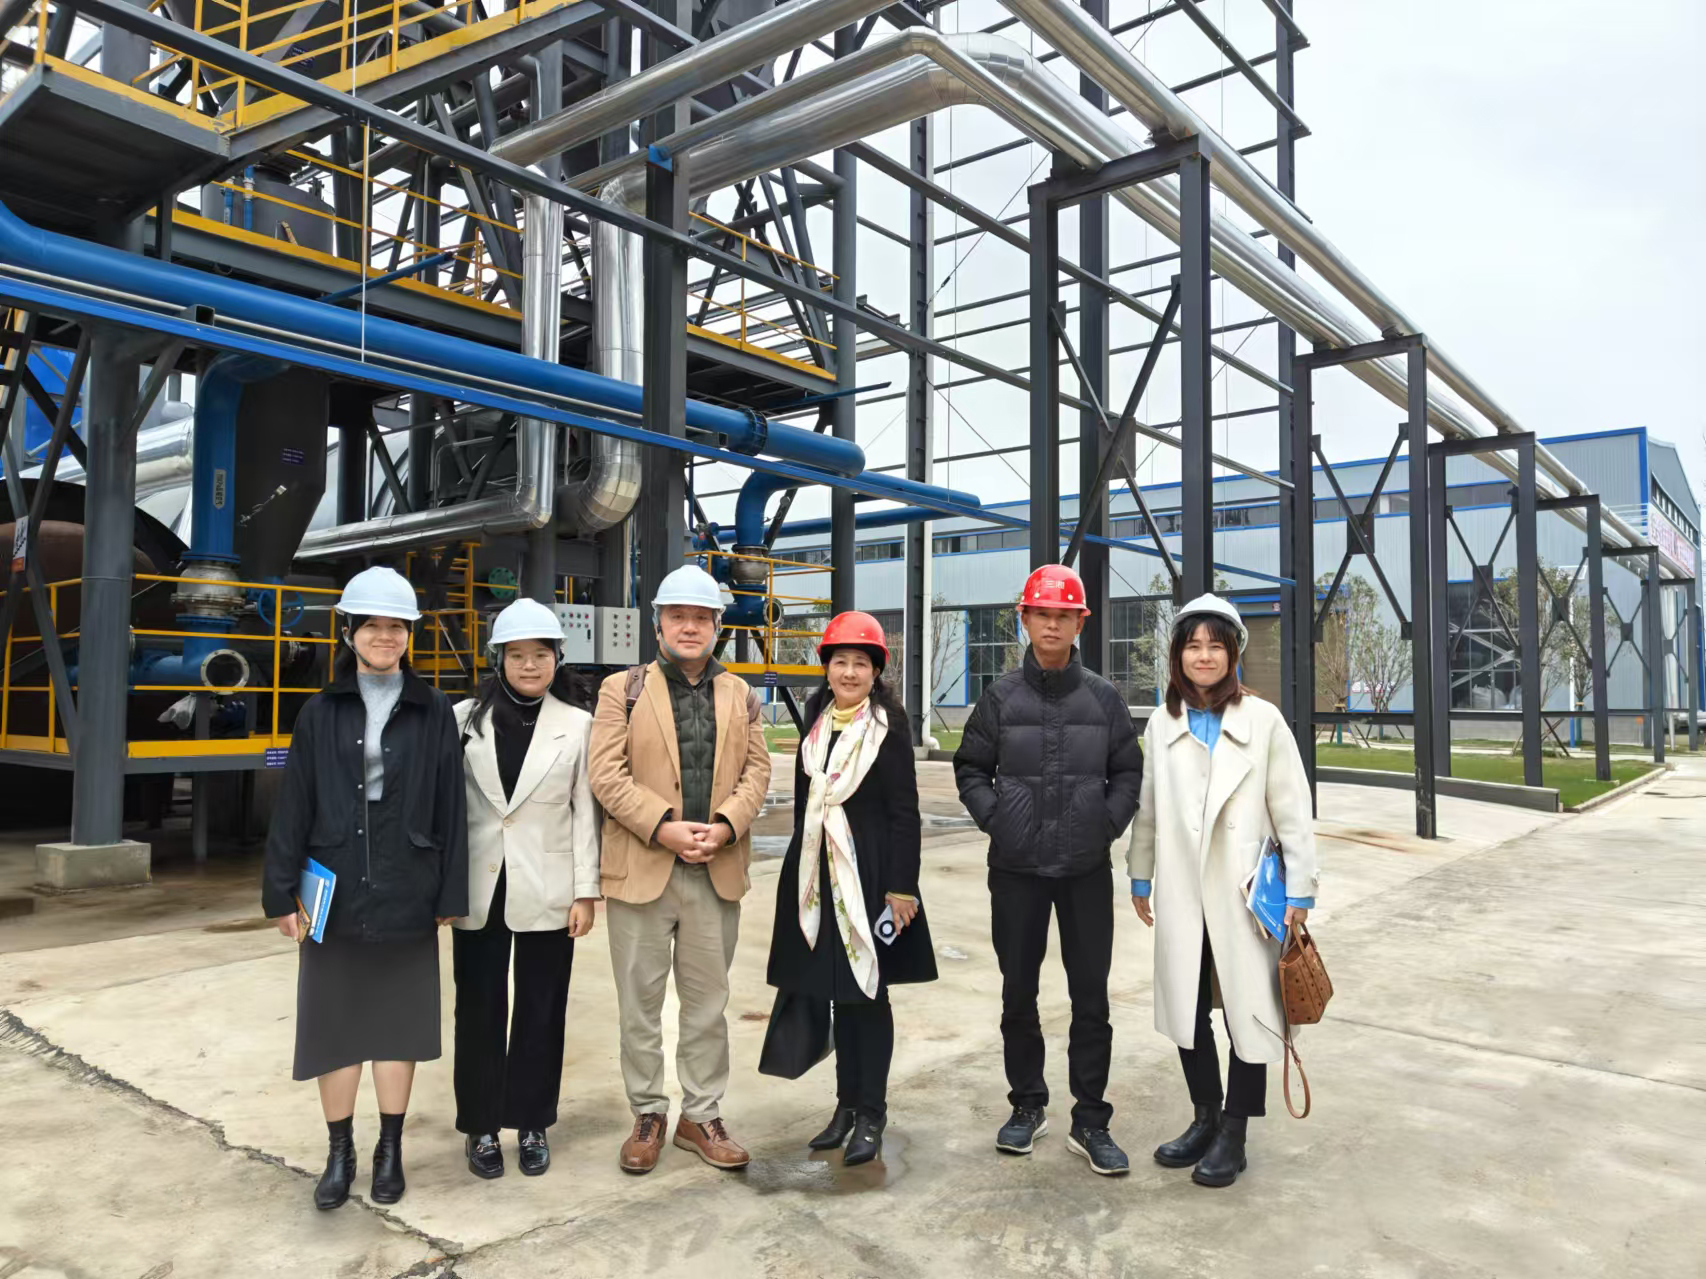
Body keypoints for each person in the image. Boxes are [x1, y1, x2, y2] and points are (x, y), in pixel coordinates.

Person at [263, 565, 467, 1210]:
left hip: (409, 884)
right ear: (348, 632)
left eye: (397, 626)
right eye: (372, 625)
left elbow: (451, 805)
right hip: (335, 887)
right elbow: (294, 802)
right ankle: (339, 1151)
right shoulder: (320, 711)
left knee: (398, 1027)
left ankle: (390, 1149)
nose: (385, 636)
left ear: (410, 634)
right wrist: (280, 893)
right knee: (336, 1026)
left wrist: (449, 894)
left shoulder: (434, 710)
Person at [954, 564, 1143, 1177]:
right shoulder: (1000, 697)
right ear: (1026, 619)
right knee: (1019, 992)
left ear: (1080, 623)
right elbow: (970, 767)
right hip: (1017, 868)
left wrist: (1104, 825)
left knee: (1091, 998)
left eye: (1064, 615)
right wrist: (999, 821)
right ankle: (1027, 1104)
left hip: (1085, 869)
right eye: (1042, 614)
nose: (1053, 624)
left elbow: (1129, 772)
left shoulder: (1104, 699)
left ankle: (1091, 1119)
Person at [1126, 594, 1320, 1188]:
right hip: (1183, 891)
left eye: (1215, 645)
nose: (1203, 656)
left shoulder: (1263, 721)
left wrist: (1300, 891)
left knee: (1247, 1012)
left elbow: (1293, 810)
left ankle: (1235, 1132)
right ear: (1177, 655)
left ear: (1234, 653)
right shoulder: (1163, 723)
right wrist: (1140, 872)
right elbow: (1148, 808)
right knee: (1187, 1008)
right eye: (1192, 645)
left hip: (1243, 897)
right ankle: (1205, 1117)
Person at [588, 563, 772, 1174]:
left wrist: (726, 825)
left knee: (707, 1003)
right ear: (658, 623)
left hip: (715, 869)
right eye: (678, 617)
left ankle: (701, 1115)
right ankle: (648, 1113)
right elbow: (605, 773)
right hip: (643, 867)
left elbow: (758, 771)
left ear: (718, 626)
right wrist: (662, 825)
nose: (689, 627)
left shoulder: (741, 694)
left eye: (700, 618)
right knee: (639, 1005)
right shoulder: (621, 690)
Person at [766, 612, 937, 1165]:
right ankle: (844, 1108)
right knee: (835, 993)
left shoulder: (889, 727)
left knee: (868, 993)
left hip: (870, 877)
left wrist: (902, 887)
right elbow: (804, 806)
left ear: (876, 671)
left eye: (860, 663)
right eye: (840, 661)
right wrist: (798, 877)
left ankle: (871, 1114)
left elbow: (904, 811)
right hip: (818, 876)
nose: (849, 672)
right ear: (826, 667)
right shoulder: (816, 721)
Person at [452, 598, 600, 1181]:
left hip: (550, 885)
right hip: (478, 886)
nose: (530, 665)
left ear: (557, 658)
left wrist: (585, 892)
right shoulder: (464, 720)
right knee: (478, 1008)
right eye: (517, 655)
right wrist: (442, 888)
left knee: (542, 1008)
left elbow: (586, 814)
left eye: (541, 654)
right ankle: (481, 1124)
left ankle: (532, 1121)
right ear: (499, 659)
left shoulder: (578, 725)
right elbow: (447, 811)